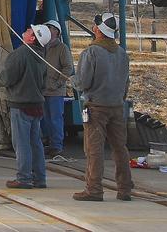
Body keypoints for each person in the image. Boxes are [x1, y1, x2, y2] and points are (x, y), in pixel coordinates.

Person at [72, 12, 134, 202]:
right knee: (120, 148)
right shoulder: (122, 53)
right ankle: (124, 189)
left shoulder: (91, 52)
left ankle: (94, 189)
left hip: (96, 107)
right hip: (117, 106)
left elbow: (83, 82)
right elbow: (126, 83)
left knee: (94, 149)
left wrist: (73, 80)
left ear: (97, 29)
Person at [0, 25, 49, 189]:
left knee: (21, 143)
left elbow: (7, 77)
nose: (27, 30)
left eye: (29, 30)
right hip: (37, 104)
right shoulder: (41, 56)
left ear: (33, 38)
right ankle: (39, 178)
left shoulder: (21, 54)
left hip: (21, 105)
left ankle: (24, 178)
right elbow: (44, 81)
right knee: (35, 142)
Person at [41, 19, 73, 158]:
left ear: (57, 32)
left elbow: (68, 68)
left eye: (50, 27)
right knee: (45, 118)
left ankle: (57, 145)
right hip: (43, 89)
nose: (47, 29)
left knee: (55, 119)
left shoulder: (62, 48)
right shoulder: (42, 47)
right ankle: (48, 142)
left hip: (55, 91)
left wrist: (58, 83)